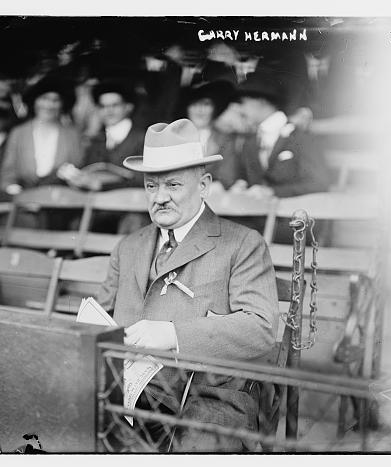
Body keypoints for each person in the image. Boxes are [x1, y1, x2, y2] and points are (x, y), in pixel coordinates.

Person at [96, 119, 279, 452]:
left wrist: (172, 335)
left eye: (173, 185)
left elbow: (262, 327)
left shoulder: (243, 244)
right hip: (125, 397)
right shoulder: (129, 246)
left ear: (204, 184)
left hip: (207, 400)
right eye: (151, 186)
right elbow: (100, 316)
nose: (160, 197)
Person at [232, 70, 332, 198]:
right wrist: (241, 185)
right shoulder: (250, 142)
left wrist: (273, 192)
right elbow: (248, 179)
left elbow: (319, 183)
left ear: (261, 102)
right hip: (257, 215)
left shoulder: (301, 137)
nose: (240, 110)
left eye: (243, 102)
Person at [0, 76, 84, 195]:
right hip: (24, 200)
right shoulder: (18, 133)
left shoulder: (72, 134)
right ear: (34, 101)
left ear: (62, 104)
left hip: (61, 200)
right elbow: (8, 172)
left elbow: (80, 167)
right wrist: (12, 188)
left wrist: (72, 175)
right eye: (44, 98)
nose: (49, 105)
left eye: (55, 100)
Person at [179, 80, 238, 190]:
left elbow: (227, 177)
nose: (200, 110)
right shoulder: (175, 138)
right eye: (194, 104)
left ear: (215, 108)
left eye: (206, 104)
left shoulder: (225, 139)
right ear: (187, 108)